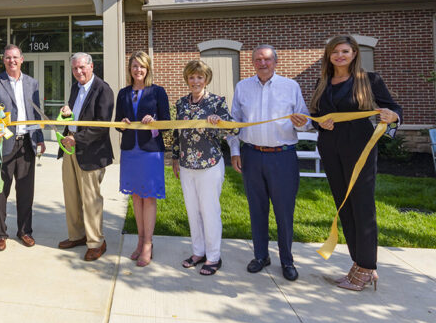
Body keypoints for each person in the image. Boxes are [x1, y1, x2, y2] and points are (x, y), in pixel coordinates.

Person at [310, 35, 401, 291]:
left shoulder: (369, 80)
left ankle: (368, 266)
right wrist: (320, 122)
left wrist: (392, 116)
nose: (339, 56)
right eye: (334, 52)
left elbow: (394, 110)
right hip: (330, 148)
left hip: (360, 148)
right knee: (344, 206)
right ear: (329, 56)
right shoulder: (323, 82)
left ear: (354, 53)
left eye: (345, 51)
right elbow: (316, 115)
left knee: (362, 206)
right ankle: (357, 263)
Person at [229, 45, 309, 281]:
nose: (262, 63)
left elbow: (304, 123)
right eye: (257, 60)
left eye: (266, 59)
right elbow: (235, 122)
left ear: (275, 61)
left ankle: (287, 260)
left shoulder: (290, 86)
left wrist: (300, 122)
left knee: (284, 211)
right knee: (257, 209)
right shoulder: (242, 87)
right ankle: (261, 255)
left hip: (282, 156)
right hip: (252, 155)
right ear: (252, 63)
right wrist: (235, 151)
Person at [172, 60, 235, 276]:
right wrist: (174, 158)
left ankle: (213, 257)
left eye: (200, 77)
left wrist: (219, 122)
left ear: (206, 79)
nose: (195, 81)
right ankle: (198, 252)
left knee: (209, 211)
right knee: (193, 211)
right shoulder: (181, 103)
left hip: (210, 163)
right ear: (187, 79)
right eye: (191, 77)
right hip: (186, 164)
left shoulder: (217, 102)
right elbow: (176, 133)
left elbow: (233, 129)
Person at [0, 45, 46, 252]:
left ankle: (24, 231)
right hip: (3, 145)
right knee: (0, 192)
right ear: (3, 60)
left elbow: (36, 113)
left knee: (26, 191)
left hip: (27, 143)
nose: (12, 61)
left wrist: (39, 139)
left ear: (22, 59)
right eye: (8, 57)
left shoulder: (32, 83)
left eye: (15, 57)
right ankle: (0, 233)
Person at [114, 51, 170, 267]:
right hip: (130, 150)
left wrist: (153, 121)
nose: (138, 70)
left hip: (150, 151)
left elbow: (165, 121)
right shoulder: (123, 93)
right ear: (130, 69)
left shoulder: (157, 92)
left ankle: (148, 243)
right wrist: (123, 122)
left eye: (142, 66)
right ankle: (139, 241)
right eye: (135, 66)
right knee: (136, 197)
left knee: (148, 197)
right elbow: (117, 123)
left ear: (148, 69)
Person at [57, 52, 114, 261]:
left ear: (91, 66)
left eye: (82, 67)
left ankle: (97, 242)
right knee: (71, 196)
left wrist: (77, 139)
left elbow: (102, 126)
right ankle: (77, 235)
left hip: (90, 152)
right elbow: (76, 115)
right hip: (70, 149)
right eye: (74, 69)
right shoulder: (75, 87)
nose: (78, 72)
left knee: (91, 200)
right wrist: (66, 113)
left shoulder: (103, 89)